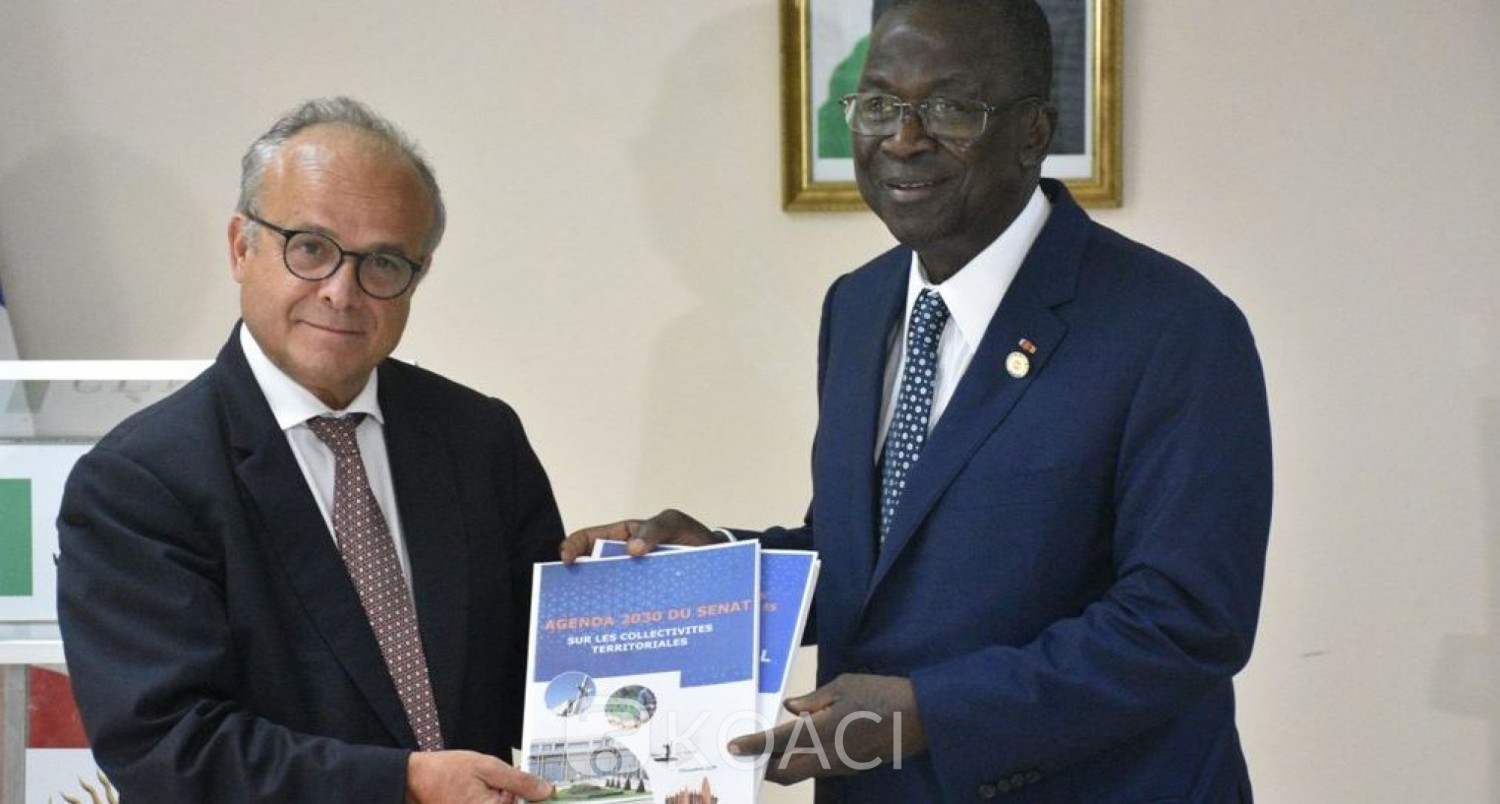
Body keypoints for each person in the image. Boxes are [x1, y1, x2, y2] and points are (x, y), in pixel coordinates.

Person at [563, 1, 1273, 800]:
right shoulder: (859, 305)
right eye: (878, 105)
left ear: (1034, 131)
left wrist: (928, 715)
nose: (902, 139)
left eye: (950, 109)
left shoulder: (1174, 325)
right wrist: (717, 572)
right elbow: (879, 556)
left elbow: (1185, 622)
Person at [57, 97, 558, 803]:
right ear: (242, 246)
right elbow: (170, 747)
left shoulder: (480, 438)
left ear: (417, 276)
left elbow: (548, 676)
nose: (342, 292)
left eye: (383, 261)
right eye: (312, 248)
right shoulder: (138, 482)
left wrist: (666, 596)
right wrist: (403, 784)